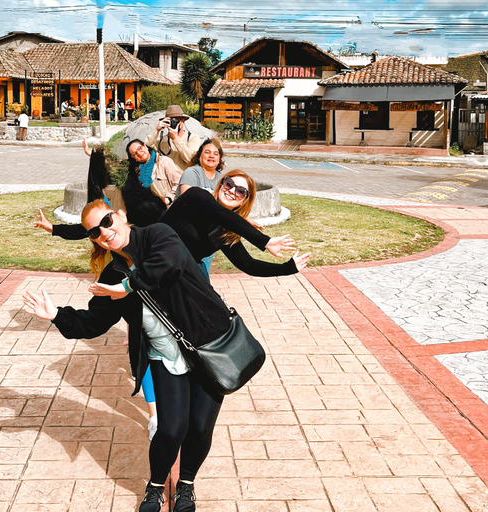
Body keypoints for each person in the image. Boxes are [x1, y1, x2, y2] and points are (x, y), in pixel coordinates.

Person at [23, 198, 240, 512]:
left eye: (107, 222)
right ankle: (155, 486)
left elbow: (170, 262)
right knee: (170, 429)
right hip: (167, 356)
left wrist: (128, 286)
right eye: (95, 232)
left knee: (201, 426)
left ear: (121, 216)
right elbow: (93, 322)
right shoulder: (112, 276)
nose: (104, 233)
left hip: (209, 346)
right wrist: (56, 314)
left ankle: (187, 485)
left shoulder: (158, 235)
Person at [162, 169, 311, 278]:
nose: (232, 191)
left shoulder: (225, 233)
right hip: (151, 258)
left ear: (245, 200)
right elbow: (221, 214)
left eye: (240, 191)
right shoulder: (196, 196)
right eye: (229, 184)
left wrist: (288, 268)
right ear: (221, 184)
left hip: (173, 274)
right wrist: (265, 241)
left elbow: (248, 264)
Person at [146, 105, 200, 174]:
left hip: (184, 181)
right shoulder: (162, 140)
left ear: (183, 121)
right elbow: (146, 149)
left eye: (177, 120)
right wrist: (156, 131)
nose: (174, 123)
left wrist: (175, 139)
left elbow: (191, 159)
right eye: (171, 120)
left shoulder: (192, 138)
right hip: (166, 181)